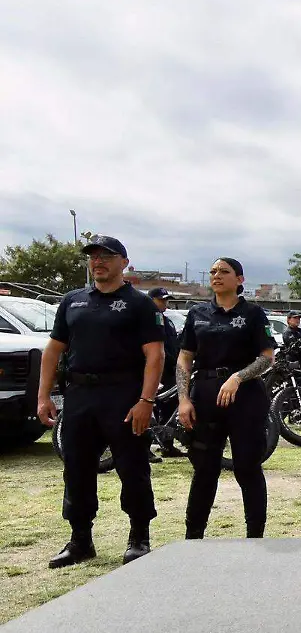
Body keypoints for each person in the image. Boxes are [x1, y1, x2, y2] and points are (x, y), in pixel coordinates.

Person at [35, 235, 164, 568]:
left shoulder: (139, 304)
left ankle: (139, 538)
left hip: (122, 396)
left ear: (124, 262)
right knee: (76, 468)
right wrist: (44, 395)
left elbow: (155, 354)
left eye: (107, 256)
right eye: (93, 257)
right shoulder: (72, 301)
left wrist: (145, 400)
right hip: (79, 397)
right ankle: (80, 540)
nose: (98, 261)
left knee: (132, 466)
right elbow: (53, 350)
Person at [176, 258, 276, 539]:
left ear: (240, 280)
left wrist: (238, 377)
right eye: (213, 272)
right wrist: (184, 399)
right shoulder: (198, 314)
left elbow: (267, 358)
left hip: (245, 398)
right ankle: (193, 535)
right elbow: (185, 359)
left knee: (247, 467)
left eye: (224, 272)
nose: (216, 276)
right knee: (204, 470)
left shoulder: (254, 314)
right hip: (205, 396)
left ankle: (255, 535)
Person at [147, 286, 180, 459]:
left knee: (169, 406)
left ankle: (167, 445)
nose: (164, 303)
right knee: (147, 409)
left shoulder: (166, 321)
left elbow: (174, 345)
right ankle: (144, 449)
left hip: (169, 372)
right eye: (161, 300)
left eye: (166, 300)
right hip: (152, 371)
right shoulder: (145, 319)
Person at [282, 311, 301, 375]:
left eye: (298, 318)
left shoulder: (300, 331)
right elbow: (297, 348)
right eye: (295, 318)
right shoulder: (288, 332)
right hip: (294, 362)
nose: (297, 320)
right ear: (289, 320)